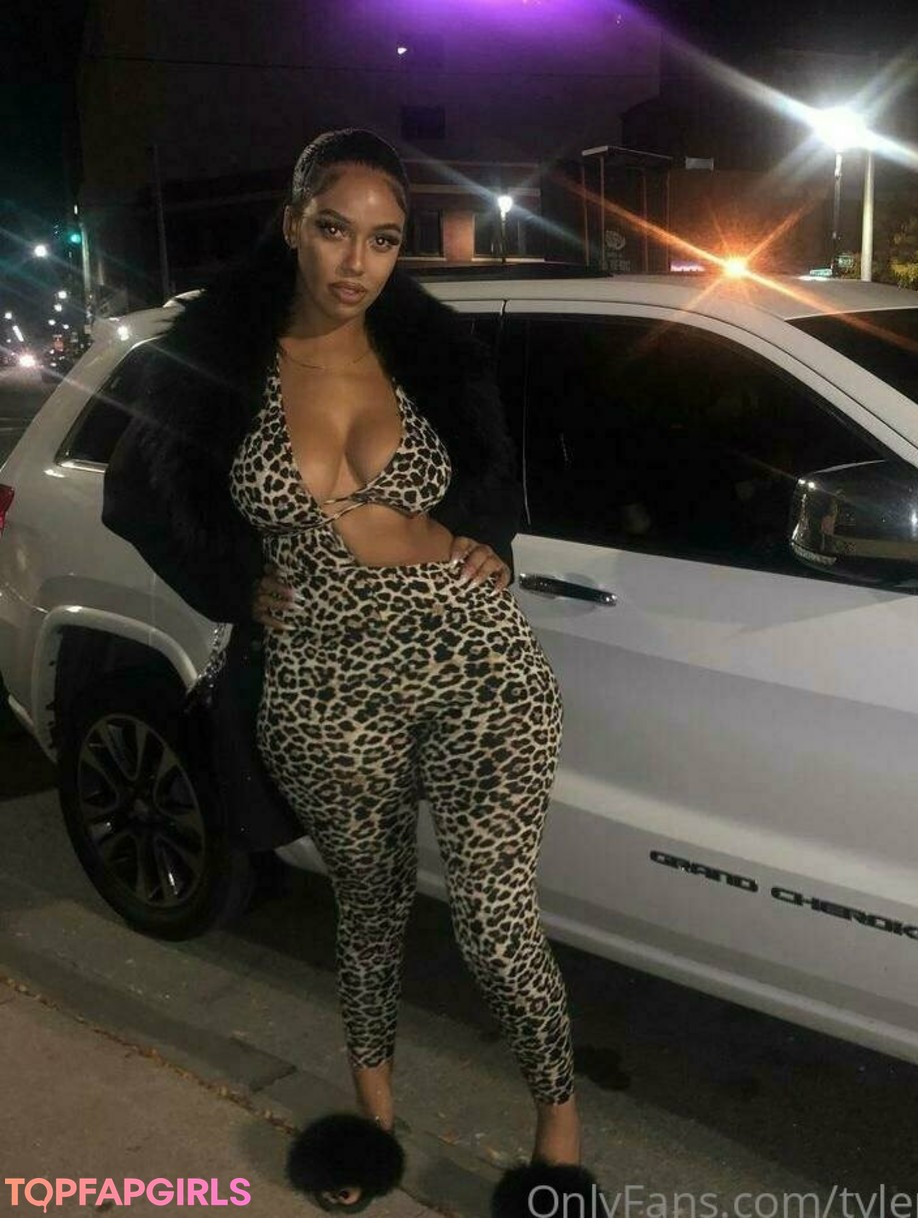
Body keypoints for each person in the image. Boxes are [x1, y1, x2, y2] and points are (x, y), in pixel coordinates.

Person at [102, 129, 595, 1216]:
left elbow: (492, 468)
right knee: (368, 911)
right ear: (293, 224)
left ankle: (558, 1139)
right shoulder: (214, 362)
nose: (356, 261)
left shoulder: (429, 351)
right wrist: (236, 585)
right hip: (323, 676)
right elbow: (135, 496)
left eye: (383, 239)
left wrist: (487, 541)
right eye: (335, 229)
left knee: (493, 918)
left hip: (475, 656)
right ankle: (370, 1128)